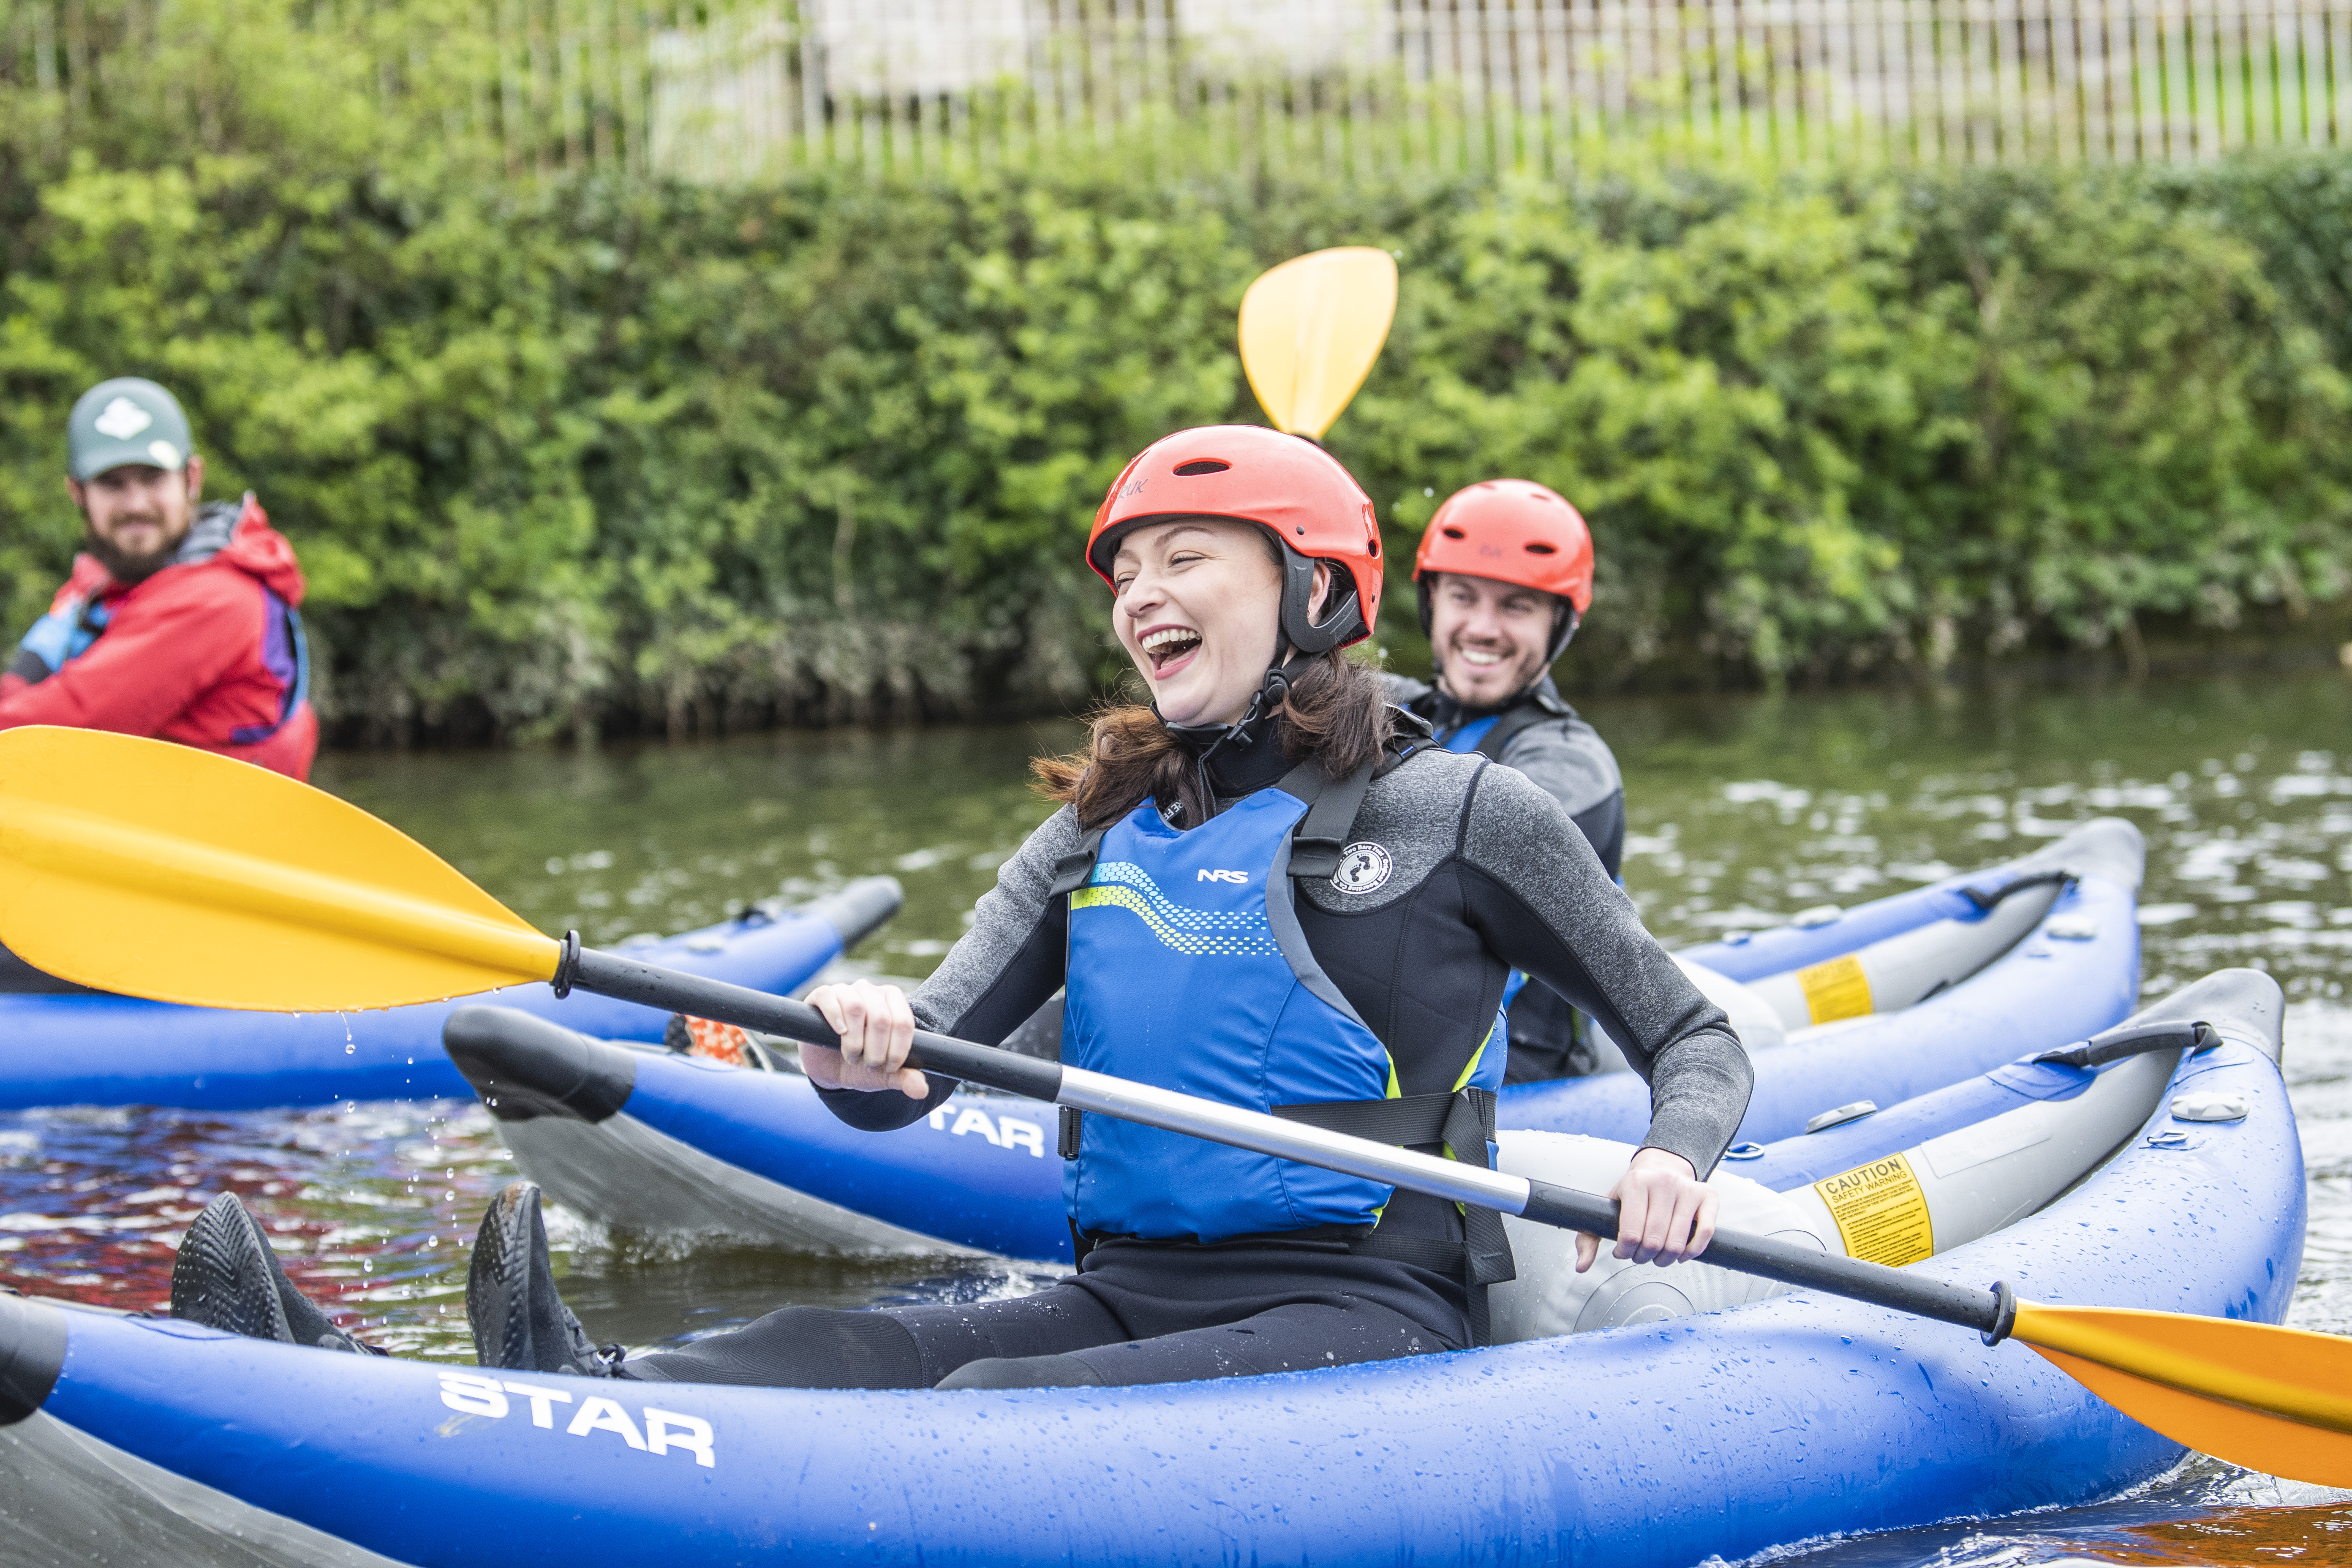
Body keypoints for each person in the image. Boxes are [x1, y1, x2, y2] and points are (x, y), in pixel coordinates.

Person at [172, 425, 1751, 1390]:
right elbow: (910, 1064)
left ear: (1315, 592)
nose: (1139, 590)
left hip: (1368, 1304)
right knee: (805, 1352)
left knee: (993, 1384)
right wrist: (868, 1054)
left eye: (1185, 555)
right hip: (1129, 1279)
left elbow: (1689, 1034)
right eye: (1125, 566)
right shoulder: (1102, 823)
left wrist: (1674, 1157)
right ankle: (502, 1390)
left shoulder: (1467, 810)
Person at [1386, 479, 1620, 1082]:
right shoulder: (1395, 710)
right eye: (1463, 597)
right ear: (1431, 602)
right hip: (1389, 1063)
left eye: (1516, 606)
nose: (1484, 628)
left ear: (1559, 626)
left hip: (1523, 1082)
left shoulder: (1570, 766)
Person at [0, 378, 315, 780]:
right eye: (112, 484)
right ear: (77, 493)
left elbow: (62, 725)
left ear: (192, 479)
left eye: (152, 479)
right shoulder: (102, 589)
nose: (136, 504)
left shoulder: (219, 599)